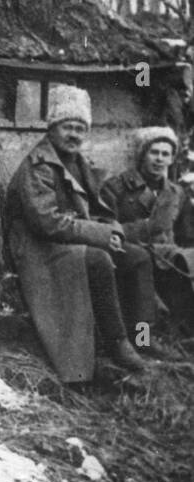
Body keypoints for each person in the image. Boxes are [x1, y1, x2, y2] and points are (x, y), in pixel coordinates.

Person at [5, 85, 157, 380]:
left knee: (137, 257)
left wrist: (110, 228)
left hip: (70, 239)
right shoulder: (39, 166)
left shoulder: (78, 163)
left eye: (80, 128)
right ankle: (116, 343)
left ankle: (142, 339)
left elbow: (94, 209)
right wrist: (99, 235)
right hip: (39, 249)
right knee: (98, 258)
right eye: (67, 127)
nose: (74, 134)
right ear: (52, 128)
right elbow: (46, 223)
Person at [100, 127, 194, 343]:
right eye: (154, 152)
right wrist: (142, 228)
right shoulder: (116, 188)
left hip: (168, 262)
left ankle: (184, 335)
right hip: (133, 260)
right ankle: (144, 340)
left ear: (171, 159)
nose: (159, 159)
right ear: (142, 154)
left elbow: (187, 234)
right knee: (145, 304)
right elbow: (105, 225)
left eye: (165, 154)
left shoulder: (176, 193)